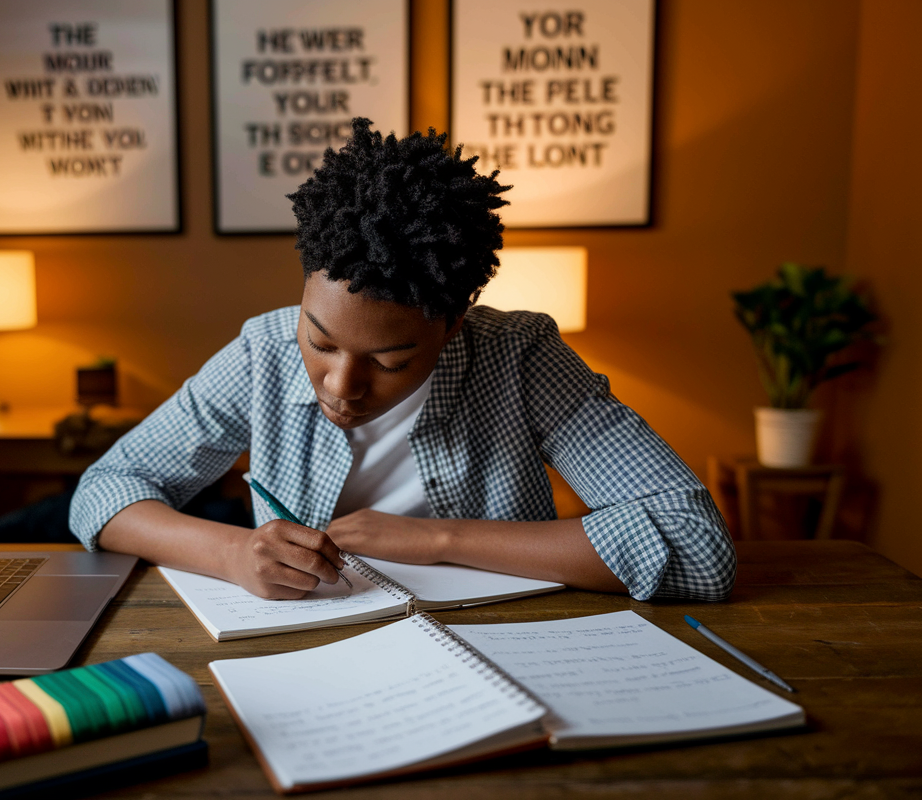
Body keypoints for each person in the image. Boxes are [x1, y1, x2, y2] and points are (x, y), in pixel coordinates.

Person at [70, 118, 735, 602]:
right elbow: (103, 491)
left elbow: (696, 543)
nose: (341, 387)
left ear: (452, 324)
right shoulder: (262, 353)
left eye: (389, 362)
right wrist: (234, 554)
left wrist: (439, 540)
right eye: (321, 341)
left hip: (506, 646)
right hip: (312, 651)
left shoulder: (521, 357)